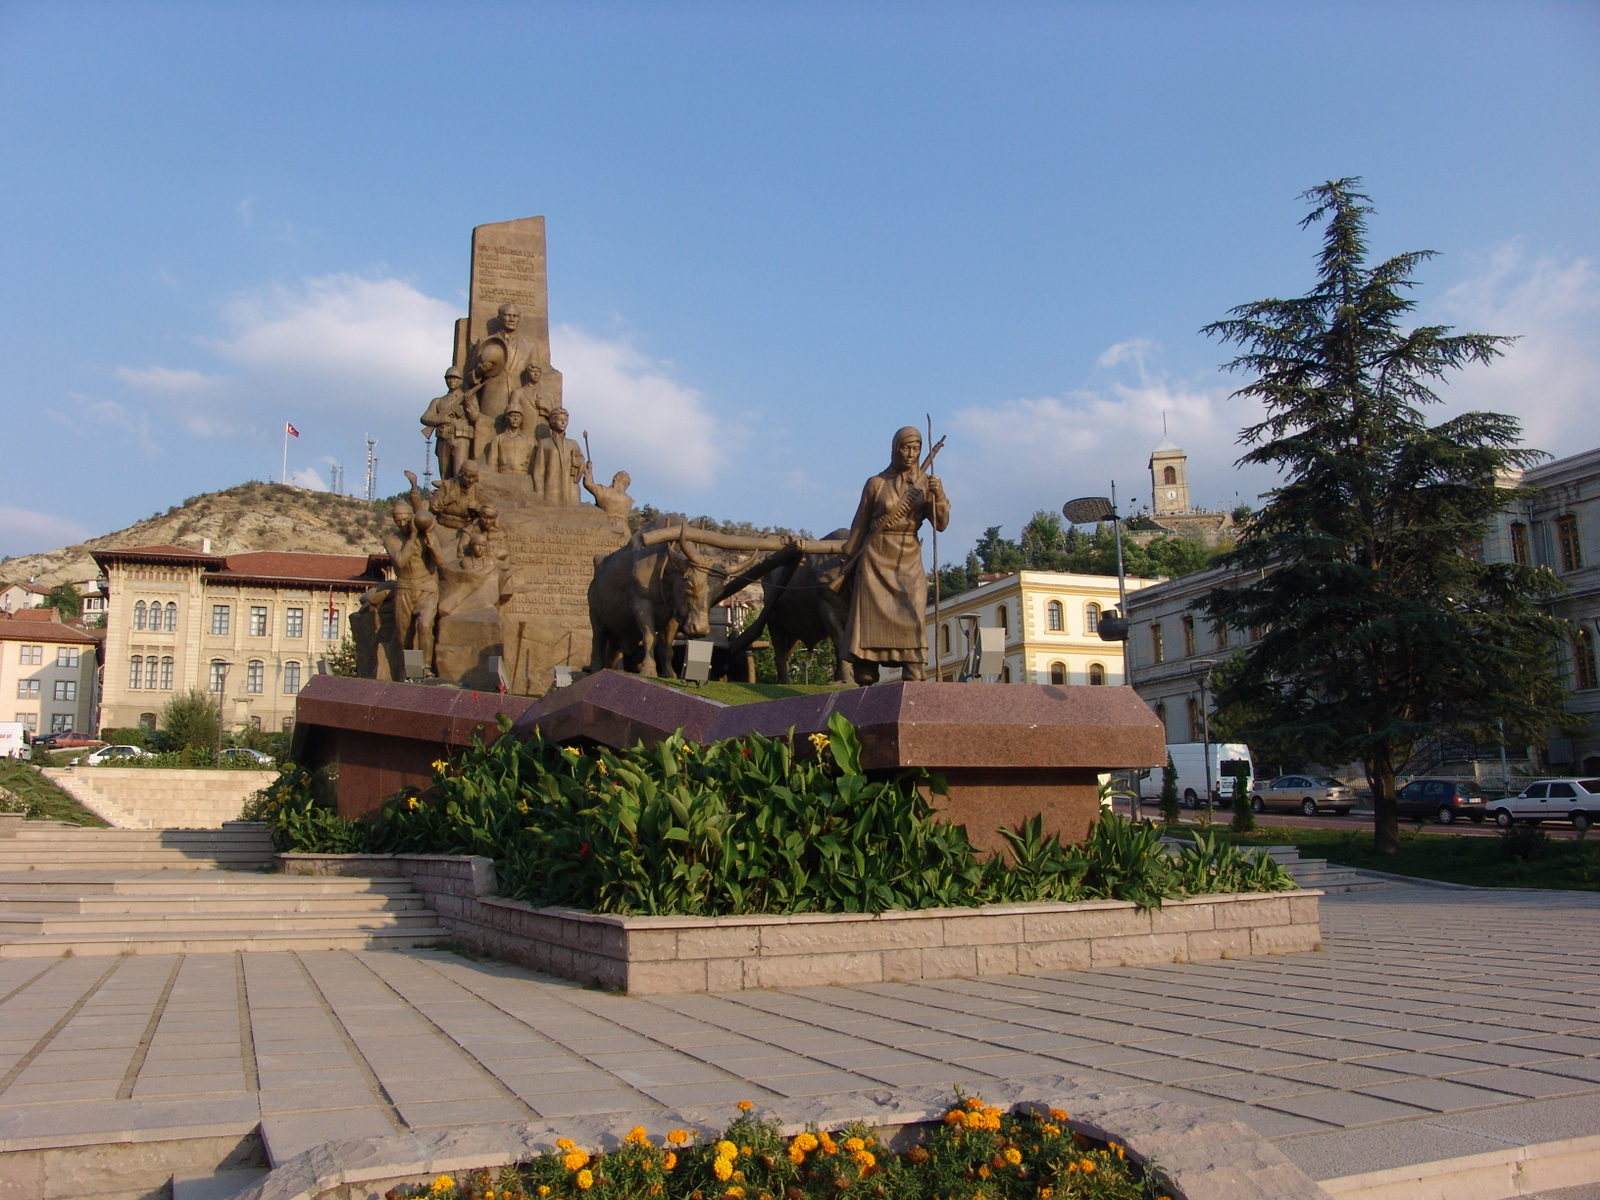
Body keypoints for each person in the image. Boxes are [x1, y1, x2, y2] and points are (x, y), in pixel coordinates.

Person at [839, 426, 949, 685]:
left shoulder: (926, 483)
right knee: (870, 628)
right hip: (875, 560)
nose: (911, 454)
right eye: (905, 448)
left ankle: (914, 676)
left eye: (916, 449)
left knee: (912, 616)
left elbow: (941, 524)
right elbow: (859, 525)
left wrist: (939, 495)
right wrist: (847, 561)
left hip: (908, 558)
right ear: (894, 448)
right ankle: (866, 675)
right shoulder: (876, 483)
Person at [420, 366, 472, 479]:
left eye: (455, 378)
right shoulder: (438, 401)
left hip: (460, 438)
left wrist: (468, 403)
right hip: (443, 438)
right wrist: (440, 419)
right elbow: (425, 417)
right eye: (449, 378)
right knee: (444, 475)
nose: (451, 381)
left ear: (461, 381)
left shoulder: (467, 398)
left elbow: (474, 416)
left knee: (459, 472)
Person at [531, 408, 585, 506]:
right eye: (560, 420)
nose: (563, 422)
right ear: (553, 421)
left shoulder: (573, 443)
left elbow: (582, 464)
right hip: (551, 489)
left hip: (570, 488)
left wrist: (579, 464)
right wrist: (539, 494)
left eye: (566, 420)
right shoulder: (544, 443)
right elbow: (538, 471)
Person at [427, 460, 484, 530]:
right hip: (443, 527)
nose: (471, 480)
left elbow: (486, 511)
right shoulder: (447, 485)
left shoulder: (477, 489)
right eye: (468, 477)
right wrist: (444, 501)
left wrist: (478, 507)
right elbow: (431, 508)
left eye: (474, 477)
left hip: (465, 529)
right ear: (461, 474)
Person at [485, 408, 536, 475]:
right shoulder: (498, 439)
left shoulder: (529, 440)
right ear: (507, 418)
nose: (515, 419)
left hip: (522, 476)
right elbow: (492, 462)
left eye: (518, 416)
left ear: (521, 419)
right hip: (503, 475)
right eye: (512, 416)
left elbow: (533, 463)